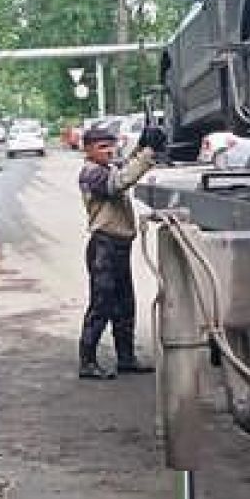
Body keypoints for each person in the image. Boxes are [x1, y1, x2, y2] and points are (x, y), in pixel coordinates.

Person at [77, 121, 165, 379]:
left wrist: (142, 146)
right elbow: (119, 182)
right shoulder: (91, 174)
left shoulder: (106, 168)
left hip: (119, 246)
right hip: (103, 247)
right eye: (102, 147)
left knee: (125, 305)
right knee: (101, 305)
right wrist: (148, 153)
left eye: (111, 146)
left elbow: (124, 166)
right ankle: (87, 362)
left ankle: (126, 359)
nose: (109, 151)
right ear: (88, 150)